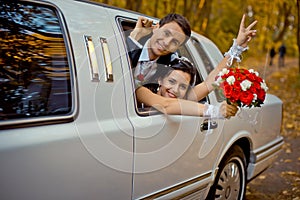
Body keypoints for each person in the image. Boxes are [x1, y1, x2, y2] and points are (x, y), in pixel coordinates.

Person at [127, 13, 257, 118]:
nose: (167, 43)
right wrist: (135, 36)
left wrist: (236, 48)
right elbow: (165, 105)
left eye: (175, 42)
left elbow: (208, 83)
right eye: (166, 33)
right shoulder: (127, 47)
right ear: (156, 27)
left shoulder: (170, 66)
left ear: (178, 47)